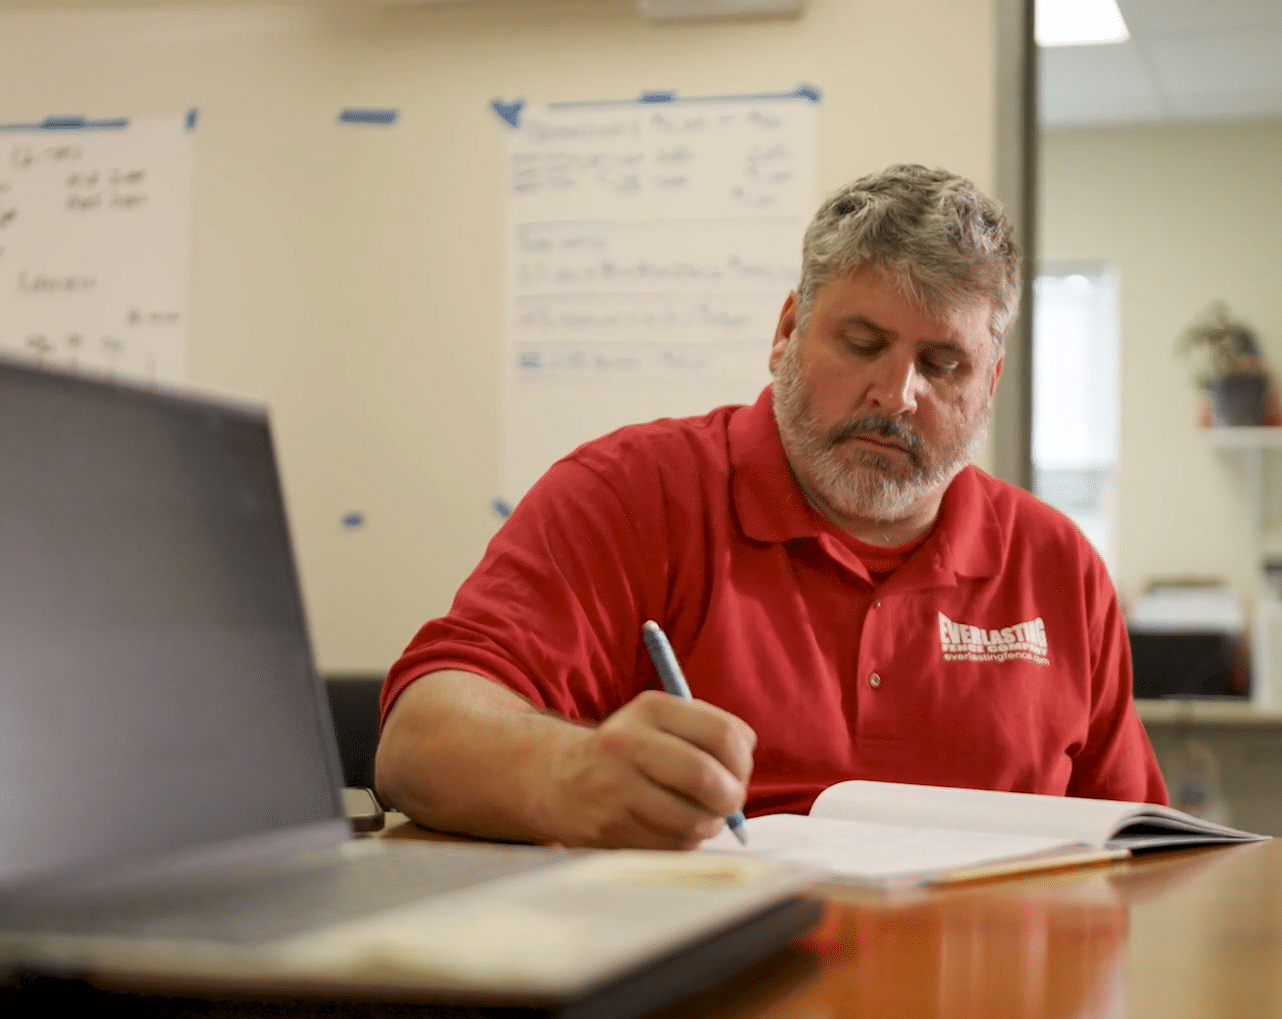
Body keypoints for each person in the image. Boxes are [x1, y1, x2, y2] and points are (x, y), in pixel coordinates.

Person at [375, 164, 1166, 849]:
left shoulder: (1056, 564)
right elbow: (419, 740)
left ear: (988, 386)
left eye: (942, 363)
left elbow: (1141, 845)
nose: (895, 395)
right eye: (861, 344)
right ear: (787, 331)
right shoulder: (630, 492)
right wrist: (567, 772)